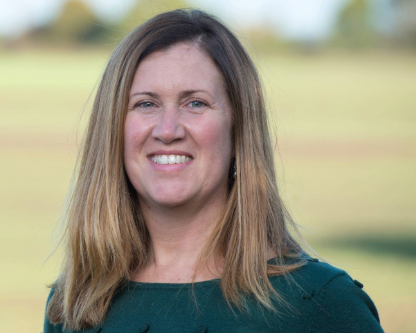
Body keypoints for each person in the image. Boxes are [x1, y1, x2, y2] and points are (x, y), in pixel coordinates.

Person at [43, 9, 383, 333]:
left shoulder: (322, 304)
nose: (168, 129)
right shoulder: (74, 303)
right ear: (113, 128)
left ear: (238, 128)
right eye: (146, 103)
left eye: (196, 103)